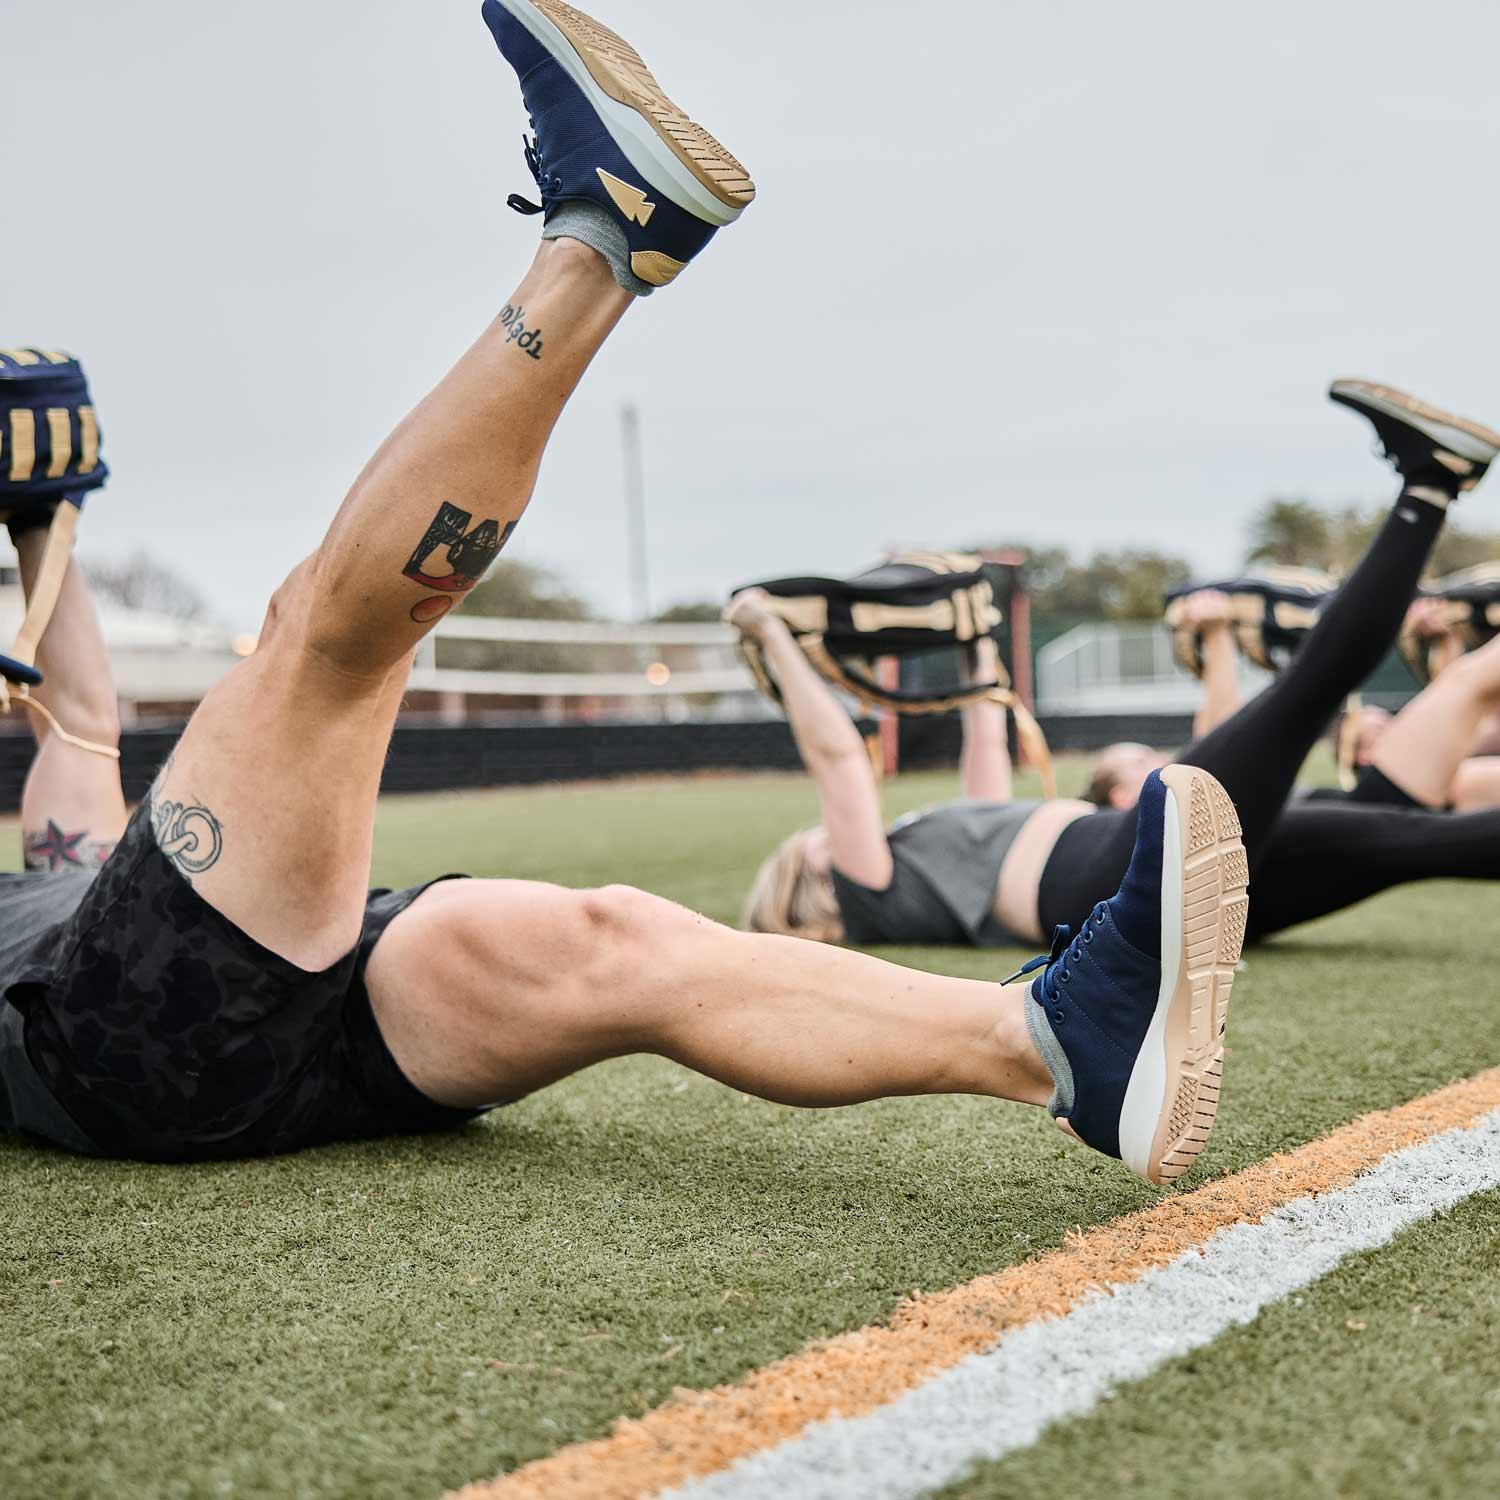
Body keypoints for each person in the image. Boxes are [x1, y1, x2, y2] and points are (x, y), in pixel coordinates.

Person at [0, 0, 1249, 1190]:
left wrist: (43, 517)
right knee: (319, 642)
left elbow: (82, 732)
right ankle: (601, 234)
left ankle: (1061, 1046)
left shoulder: (75, 872)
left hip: (302, 1010)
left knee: (616, 943)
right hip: (120, 1042)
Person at [736, 380, 1500, 950]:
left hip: (1151, 890)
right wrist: (772, 635)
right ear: (807, 880)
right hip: (1125, 872)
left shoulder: (924, 863)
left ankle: (1429, 483)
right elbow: (839, 760)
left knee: (1409, 838)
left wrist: (976, 642)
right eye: (810, 842)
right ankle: (1430, 482)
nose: (823, 831)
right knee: (1307, 694)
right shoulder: (866, 890)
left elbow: (986, 740)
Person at [1111, 587, 1500, 815]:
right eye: (1140, 761)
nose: (1157, 757)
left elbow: (1458, 716)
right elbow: (1214, 758)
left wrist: (1447, 640)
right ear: (1122, 798)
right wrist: (1217, 636)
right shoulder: (1160, 818)